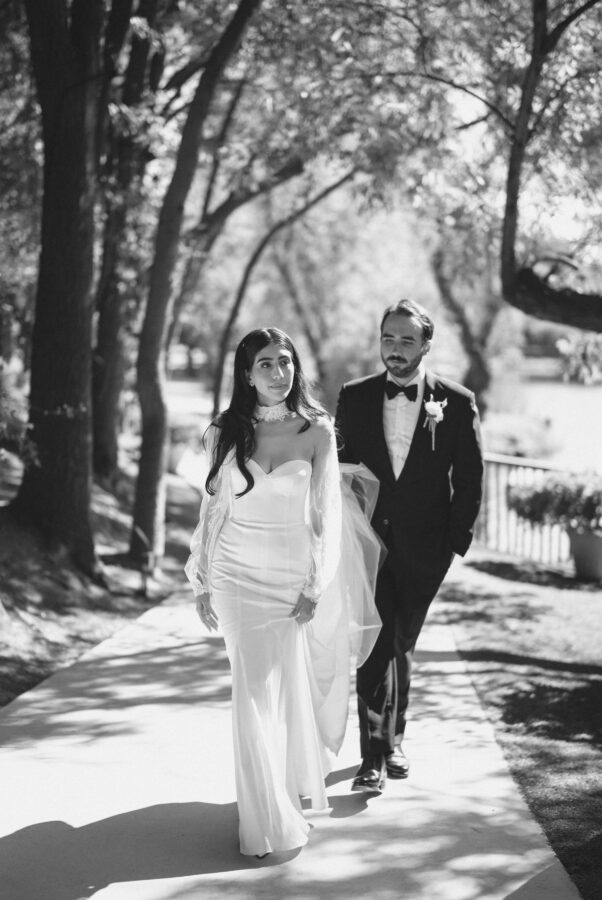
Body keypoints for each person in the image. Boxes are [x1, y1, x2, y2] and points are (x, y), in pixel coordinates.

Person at [185, 327, 381, 857]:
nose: (279, 372)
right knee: (251, 693)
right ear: (246, 375)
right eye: (266, 364)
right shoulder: (224, 430)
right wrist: (201, 576)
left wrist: (317, 581)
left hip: (290, 578)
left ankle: (282, 786)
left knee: (279, 690)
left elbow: (327, 513)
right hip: (234, 575)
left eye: (286, 361)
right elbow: (214, 507)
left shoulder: (318, 430)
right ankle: (263, 817)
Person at [335, 298, 484, 792]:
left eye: (406, 340)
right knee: (374, 643)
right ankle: (374, 755)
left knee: (402, 640)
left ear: (425, 345)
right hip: (368, 543)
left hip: (428, 546)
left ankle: (394, 736)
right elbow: (338, 469)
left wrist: (454, 542)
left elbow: (469, 477)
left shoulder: (457, 402)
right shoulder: (354, 397)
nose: (395, 349)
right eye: (388, 338)